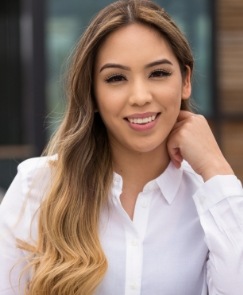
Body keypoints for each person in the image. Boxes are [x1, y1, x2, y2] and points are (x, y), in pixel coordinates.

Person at [0, 0, 243, 294]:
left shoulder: (213, 203)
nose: (140, 96)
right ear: (93, 92)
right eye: (116, 78)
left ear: (186, 81)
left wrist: (215, 168)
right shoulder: (37, 188)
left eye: (158, 73)